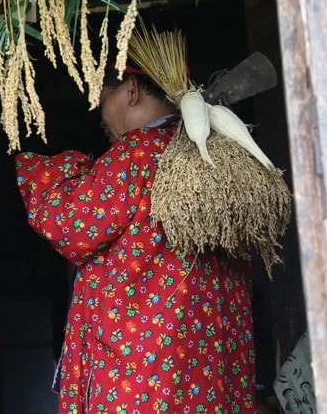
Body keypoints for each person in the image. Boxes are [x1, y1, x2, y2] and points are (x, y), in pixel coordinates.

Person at [15, 65, 256, 412]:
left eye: (102, 100)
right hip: (209, 372)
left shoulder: (139, 152)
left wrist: (39, 169)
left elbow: (68, 224)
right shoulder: (221, 156)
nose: (101, 118)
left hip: (147, 376)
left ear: (131, 90)